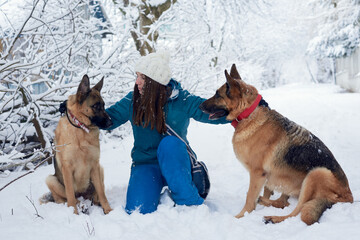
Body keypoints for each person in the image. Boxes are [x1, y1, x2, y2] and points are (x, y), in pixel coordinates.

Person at [104, 50, 229, 214]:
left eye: (142, 77)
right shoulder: (132, 100)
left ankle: (189, 202)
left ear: (155, 81)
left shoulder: (182, 100)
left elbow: (213, 114)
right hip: (146, 164)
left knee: (170, 144)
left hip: (176, 163)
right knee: (137, 210)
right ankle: (152, 186)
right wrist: (76, 110)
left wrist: (248, 110)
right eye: (137, 76)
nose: (137, 82)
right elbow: (107, 119)